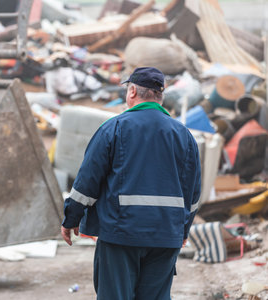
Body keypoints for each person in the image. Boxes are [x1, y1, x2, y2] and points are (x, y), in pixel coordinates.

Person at [60, 67, 201, 300]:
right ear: (160, 96)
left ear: (132, 91)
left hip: (121, 235)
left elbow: (87, 183)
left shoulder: (114, 128)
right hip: (166, 235)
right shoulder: (184, 135)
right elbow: (193, 194)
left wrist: (71, 219)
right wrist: (182, 230)